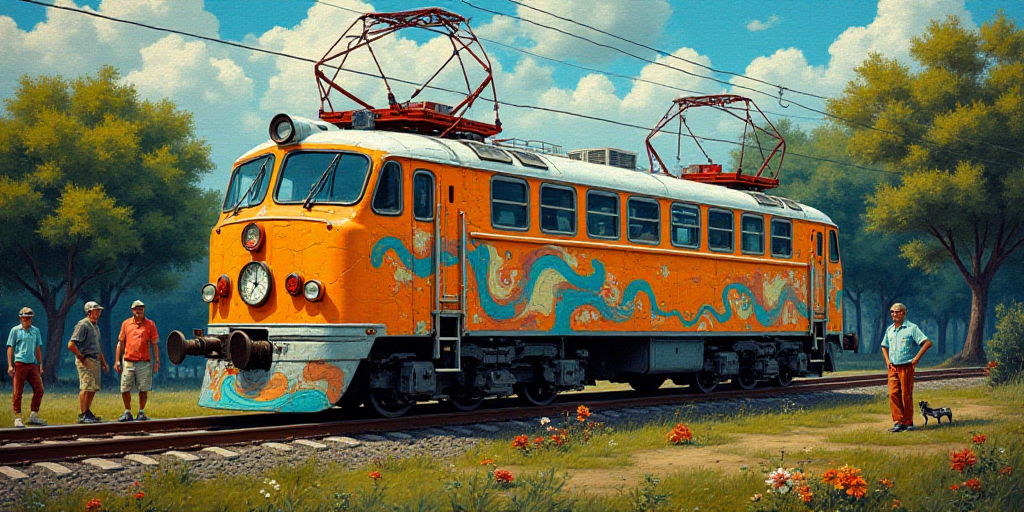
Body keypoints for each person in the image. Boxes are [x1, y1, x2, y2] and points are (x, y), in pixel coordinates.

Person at [880, 303, 933, 433]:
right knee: (893, 394)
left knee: (906, 395)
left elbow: (927, 343)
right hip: (893, 367)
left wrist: (916, 359)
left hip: (906, 366)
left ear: (904, 313)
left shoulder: (911, 328)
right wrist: (887, 361)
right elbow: (884, 345)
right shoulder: (890, 330)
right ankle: (898, 422)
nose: (894, 314)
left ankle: (908, 422)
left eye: (897, 312)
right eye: (892, 312)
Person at [114, 300, 159, 421]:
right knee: (125, 387)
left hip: (144, 361)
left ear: (144, 310)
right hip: (128, 360)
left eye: (141, 309)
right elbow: (121, 342)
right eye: (136, 309)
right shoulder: (126, 323)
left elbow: (154, 344)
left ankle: (141, 412)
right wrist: (117, 360)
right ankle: (127, 412)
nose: (138, 311)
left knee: (143, 388)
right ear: (132, 310)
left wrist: (157, 361)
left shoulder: (150, 324)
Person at [68, 301, 109, 423]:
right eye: (96, 310)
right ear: (89, 312)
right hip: (86, 359)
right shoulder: (83, 324)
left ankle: (87, 411)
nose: (98, 313)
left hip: (95, 359)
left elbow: (98, 347)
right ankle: (83, 414)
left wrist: (103, 362)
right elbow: (71, 344)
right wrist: (81, 357)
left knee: (92, 387)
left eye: (99, 311)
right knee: (86, 387)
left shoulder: (95, 327)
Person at [7, 307, 47, 428]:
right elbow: (10, 348)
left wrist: (40, 364)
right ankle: (17, 417)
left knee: (39, 389)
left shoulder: (35, 331)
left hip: (32, 364)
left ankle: (34, 415)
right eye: (25, 318)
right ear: (21, 318)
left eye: (29, 318)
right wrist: (10, 365)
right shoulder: (15, 330)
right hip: (20, 363)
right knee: (18, 391)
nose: (27, 320)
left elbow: (37, 348)